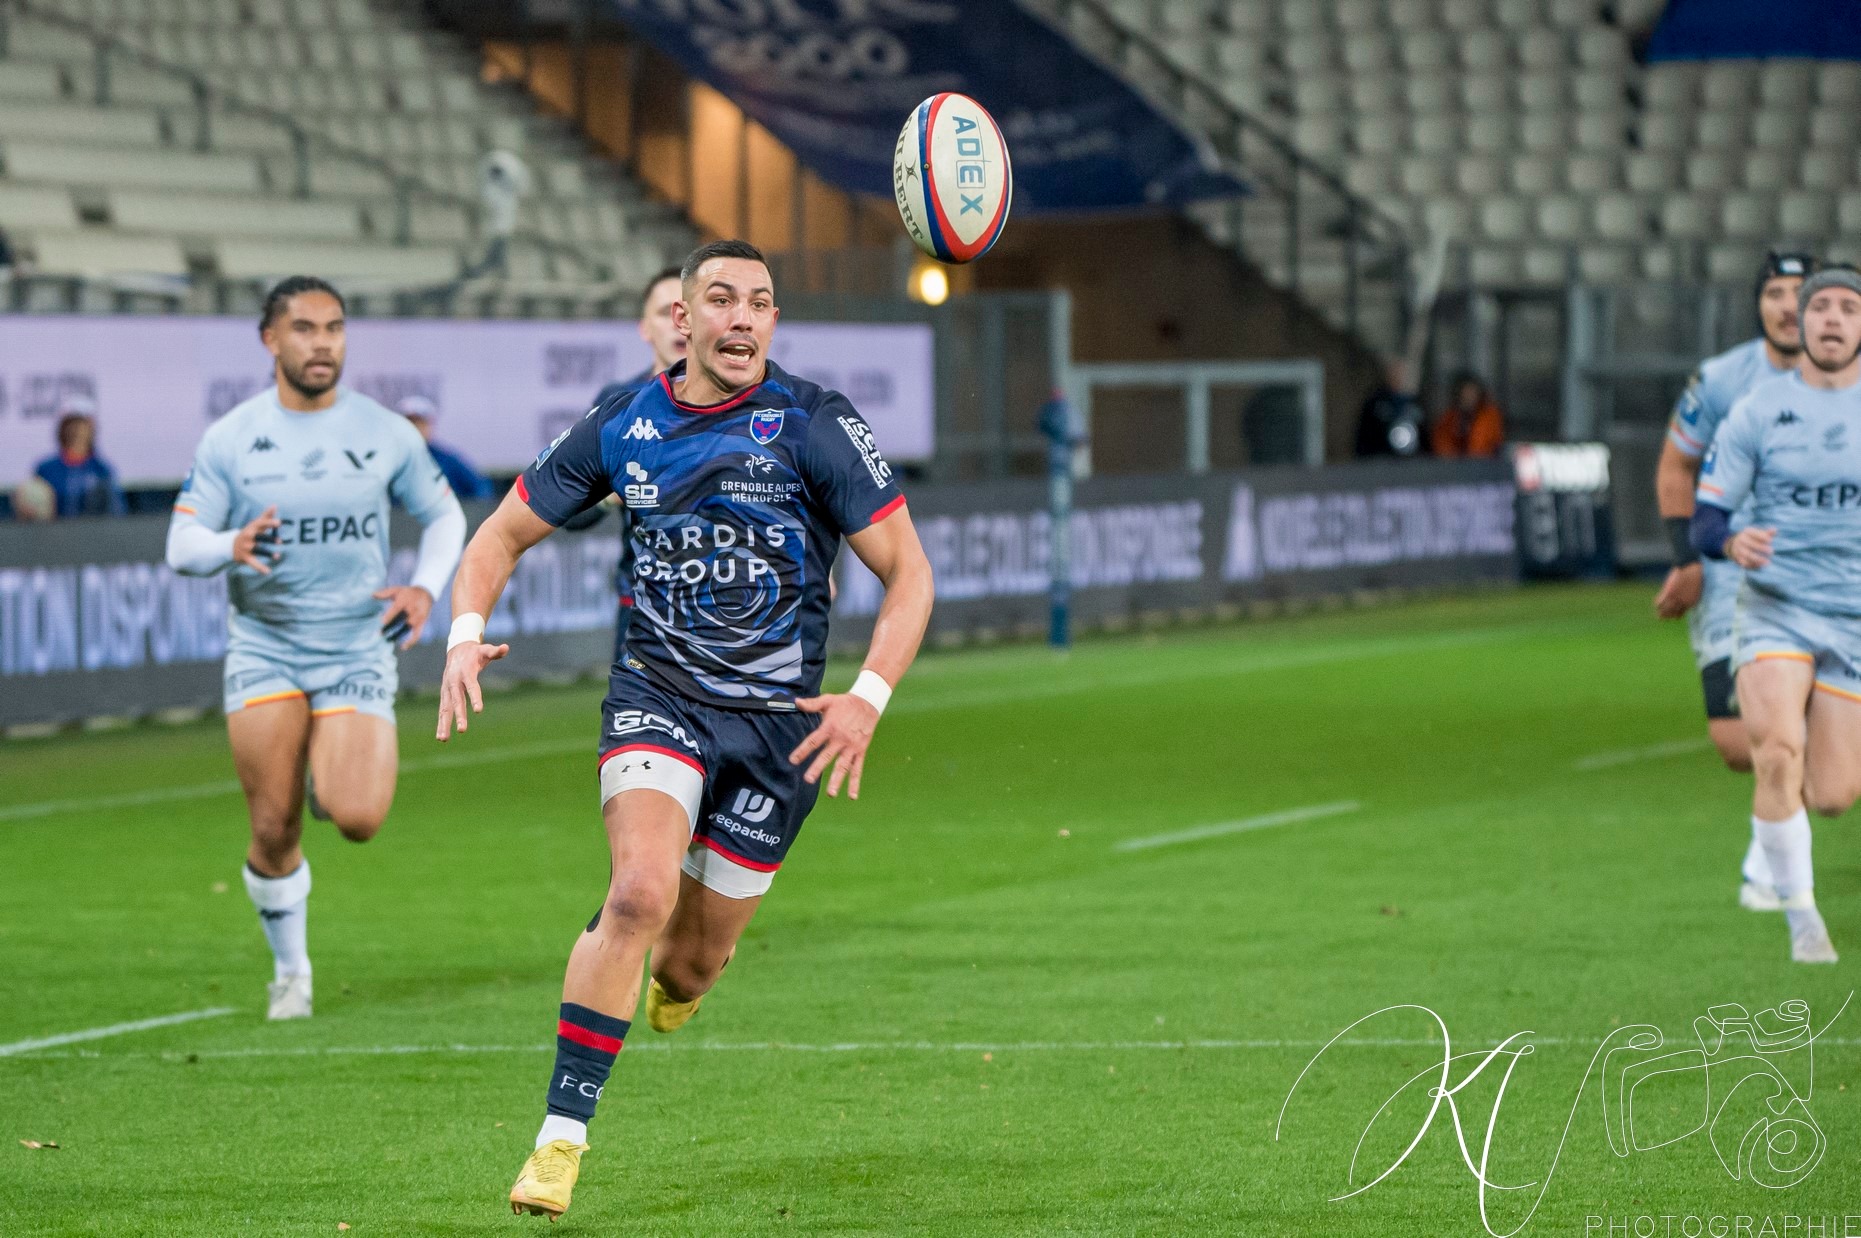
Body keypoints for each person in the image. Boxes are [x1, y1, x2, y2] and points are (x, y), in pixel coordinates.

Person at [434, 240, 934, 1221]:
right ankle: (559, 1140)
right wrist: (464, 632)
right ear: (683, 319)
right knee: (639, 890)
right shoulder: (628, 421)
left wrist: (866, 696)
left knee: (688, 959)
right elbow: (498, 533)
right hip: (657, 696)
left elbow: (908, 572)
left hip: (782, 728)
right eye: (721, 300)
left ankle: (683, 974)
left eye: (760, 303)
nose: (742, 318)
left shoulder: (816, 424)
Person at [165, 276, 467, 1019]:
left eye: (333, 328)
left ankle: (325, 771)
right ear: (271, 340)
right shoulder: (232, 438)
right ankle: (291, 971)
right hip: (266, 646)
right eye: (304, 329)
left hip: (356, 647)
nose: (322, 343)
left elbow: (444, 515)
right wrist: (229, 544)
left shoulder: (381, 430)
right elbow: (180, 544)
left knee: (358, 817)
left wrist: (425, 587)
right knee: (272, 829)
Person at [1690, 264, 1861, 964]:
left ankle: (1790, 875)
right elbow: (1706, 519)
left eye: (1847, 309)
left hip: (1850, 616)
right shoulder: (1758, 410)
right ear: (1802, 318)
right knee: (1774, 752)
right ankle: (1802, 923)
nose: (1829, 319)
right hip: (1773, 609)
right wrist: (1731, 540)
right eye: (1818, 307)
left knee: (1832, 795)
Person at [1654, 251, 1814, 910]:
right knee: (1733, 743)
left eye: (1799, 293)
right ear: (1758, 304)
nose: (1786, 305)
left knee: (1782, 732)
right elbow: (1673, 467)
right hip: (1727, 571)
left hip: (1816, 571)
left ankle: (1766, 869)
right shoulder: (1720, 380)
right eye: (1774, 292)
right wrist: (1686, 558)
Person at [578, 266, 688, 662]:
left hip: (733, 611)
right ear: (645, 328)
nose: (680, 323)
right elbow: (569, 510)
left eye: (689, 310)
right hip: (643, 610)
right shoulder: (620, 403)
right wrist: (612, 495)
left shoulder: (749, 401)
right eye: (665, 312)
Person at [33, 400, 126, 518]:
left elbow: (116, 512)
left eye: (82, 425)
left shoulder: (102, 470)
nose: (77, 431)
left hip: (93, 534)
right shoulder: (46, 469)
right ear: (63, 429)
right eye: (71, 425)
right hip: (53, 534)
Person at [397, 395, 494, 500]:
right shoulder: (390, 461)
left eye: (420, 422)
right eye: (409, 422)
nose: (414, 428)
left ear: (429, 425)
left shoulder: (447, 460)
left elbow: (481, 488)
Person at [1353, 357, 1425, 458]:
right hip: (1379, 459)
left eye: (1400, 373)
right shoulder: (1375, 403)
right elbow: (1364, 435)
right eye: (1393, 373)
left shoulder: (1414, 404)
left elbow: (1423, 434)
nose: (1397, 377)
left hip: (1411, 460)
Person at [1430, 371, 1506, 458]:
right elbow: (1441, 442)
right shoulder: (1450, 417)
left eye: (1471, 392)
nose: (1468, 397)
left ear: (1479, 393)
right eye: (1464, 393)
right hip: (1457, 467)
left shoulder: (1490, 415)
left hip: (1485, 466)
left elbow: (1479, 448)